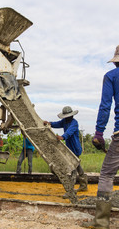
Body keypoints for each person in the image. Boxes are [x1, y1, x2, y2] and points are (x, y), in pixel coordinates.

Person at [82, 46, 119, 229]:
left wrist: (98, 133)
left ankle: (101, 222)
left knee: (106, 174)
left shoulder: (112, 76)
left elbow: (105, 106)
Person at [43, 106, 87, 198]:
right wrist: (49, 123)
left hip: (75, 148)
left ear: (71, 115)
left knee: (73, 168)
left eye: (68, 116)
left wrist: (62, 137)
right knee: (77, 166)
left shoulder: (74, 123)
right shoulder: (64, 121)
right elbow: (57, 124)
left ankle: (70, 190)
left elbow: (69, 132)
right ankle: (83, 185)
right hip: (69, 148)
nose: (67, 117)